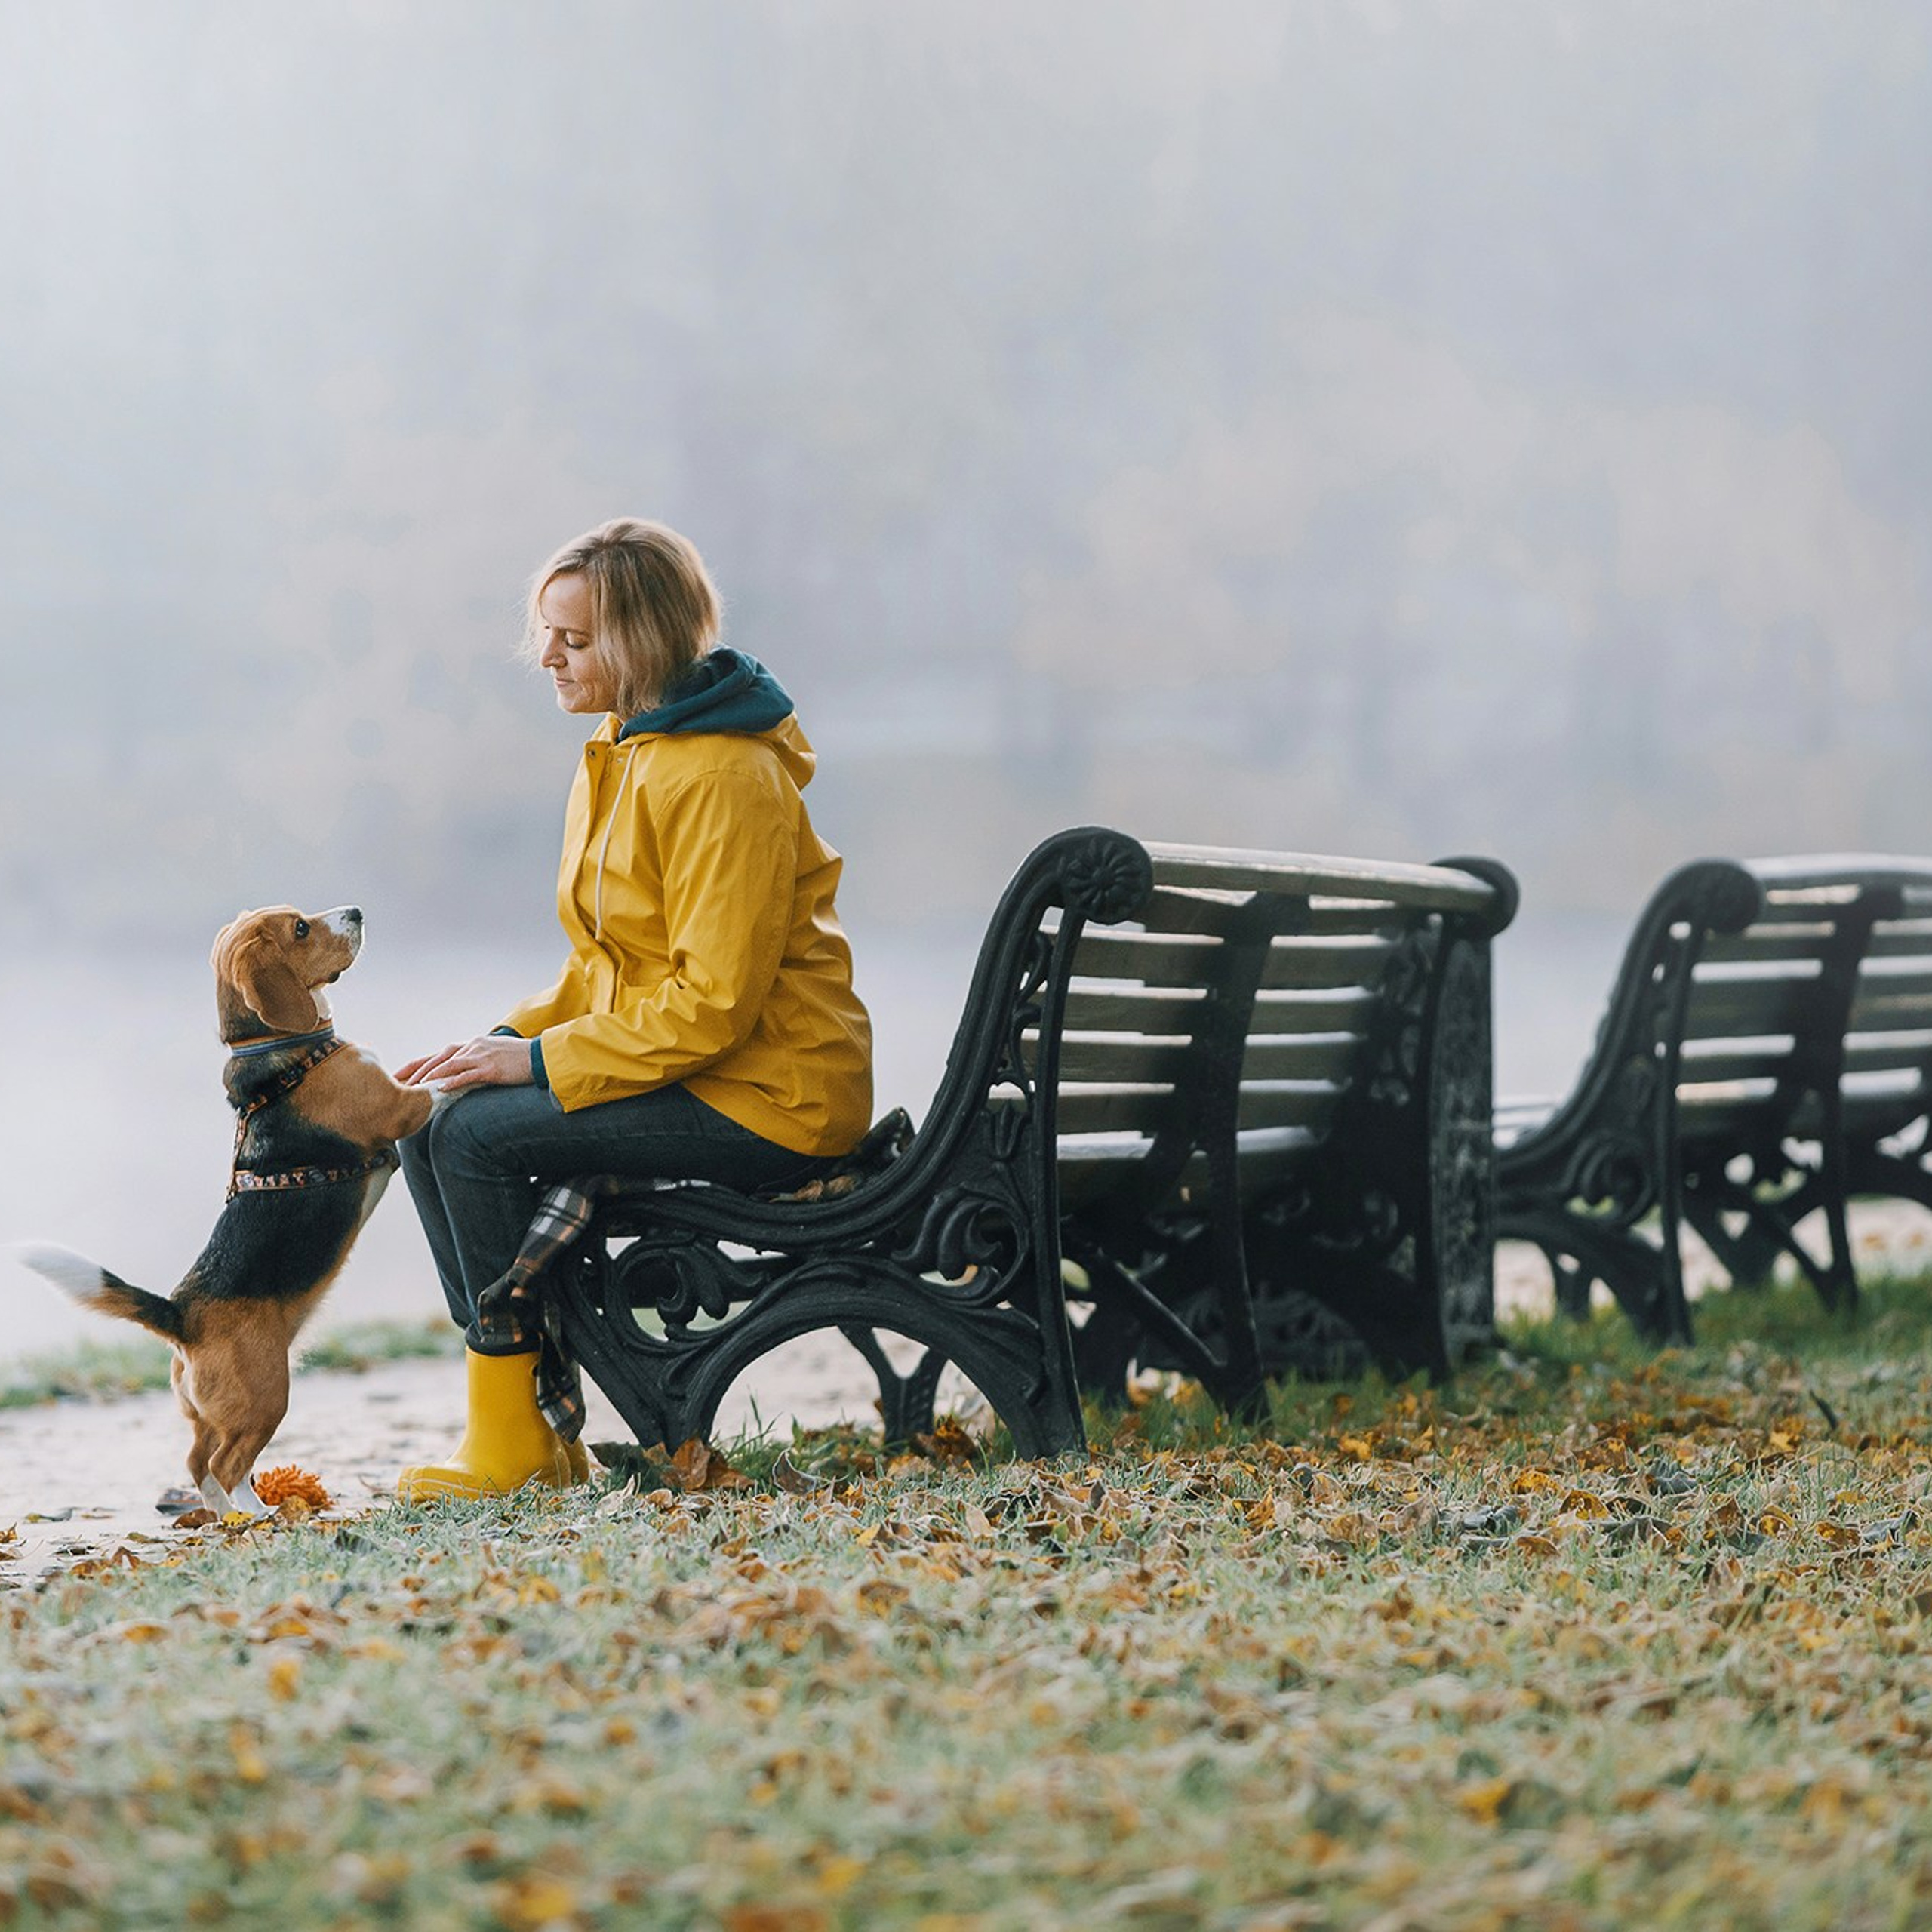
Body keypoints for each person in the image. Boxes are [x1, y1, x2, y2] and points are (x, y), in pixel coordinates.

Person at [393, 518, 872, 1500]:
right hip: (706, 1074)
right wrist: (501, 1040)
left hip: (773, 1096)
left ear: (644, 641)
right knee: (430, 1123)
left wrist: (532, 1069)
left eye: (574, 640)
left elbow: (712, 1007)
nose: (549, 659)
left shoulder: (724, 775)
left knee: (476, 1139)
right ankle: (525, 1425)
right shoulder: (626, 752)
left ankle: (518, 1442)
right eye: (546, 636)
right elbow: (605, 967)